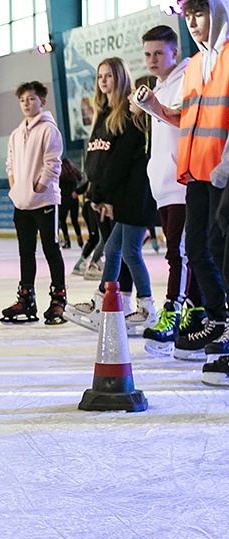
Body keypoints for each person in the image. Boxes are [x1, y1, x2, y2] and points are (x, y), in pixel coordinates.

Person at [138, 1, 229, 373]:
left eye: (200, 13)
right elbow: (185, 119)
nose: (192, 22)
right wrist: (155, 108)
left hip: (223, 173)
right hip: (197, 173)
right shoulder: (197, 67)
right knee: (199, 249)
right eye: (188, 15)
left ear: (219, 12)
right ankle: (217, 320)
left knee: (222, 250)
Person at [63, 57, 157, 335]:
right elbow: (98, 160)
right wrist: (94, 192)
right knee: (117, 249)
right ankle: (109, 302)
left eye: (109, 76)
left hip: (128, 197)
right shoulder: (102, 114)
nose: (103, 81)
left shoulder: (128, 116)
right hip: (111, 195)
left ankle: (145, 306)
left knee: (126, 251)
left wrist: (107, 195)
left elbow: (119, 163)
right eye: (100, 76)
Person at [132, 25, 206, 357]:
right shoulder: (160, 84)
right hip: (162, 182)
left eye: (159, 53)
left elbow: (180, 120)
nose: (152, 60)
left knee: (180, 252)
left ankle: (174, 311)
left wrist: (151, 106)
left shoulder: (187, 75)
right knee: (178, 251)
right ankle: (195, 307)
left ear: (175, 52)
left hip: (182, 180)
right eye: (147, 54)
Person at [0, 81, 66, 326]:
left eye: (31, 99)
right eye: (23, 100)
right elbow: (10, 163)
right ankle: (26, 298)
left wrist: (38, 187)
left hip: (45, 201)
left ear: (42, 101)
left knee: (51, 249)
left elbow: (53, 163)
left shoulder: (49, 130)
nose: (27, 104)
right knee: (25, 252)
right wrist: (16, 186)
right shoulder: (17, 133)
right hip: (22, 203)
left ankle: (58, 298)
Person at [59, 157, 84, 249]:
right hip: (74, 198)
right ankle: (79, 237)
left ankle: (66, 240)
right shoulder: (74, 174)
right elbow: (81, 180)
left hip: (63, 199)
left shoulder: (60, 175)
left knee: (62, 220)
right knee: (74, 220)